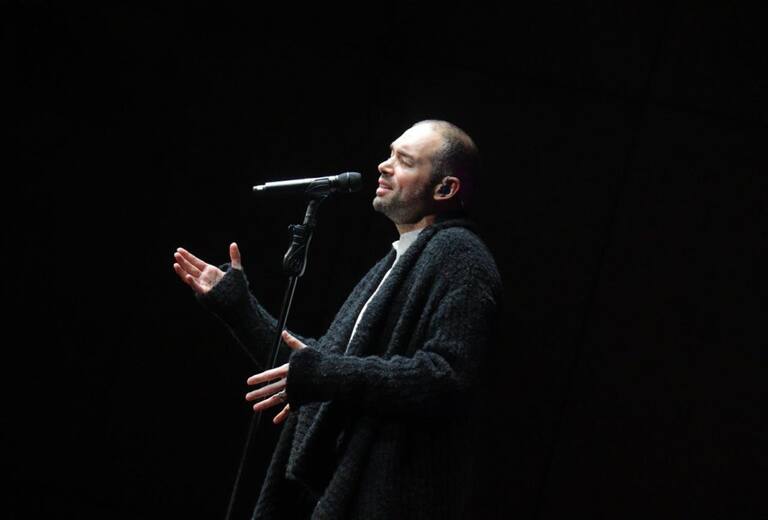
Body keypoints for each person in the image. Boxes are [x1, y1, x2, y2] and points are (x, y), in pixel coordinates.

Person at [173, 120, 502, 519]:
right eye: (390, 153)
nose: (383, 166)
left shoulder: (461, 257)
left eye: (404, 161)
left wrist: (324, 374)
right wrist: (237, 307)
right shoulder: (400, 260)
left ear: (445, 189)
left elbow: (446, 377)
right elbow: (314, 368)